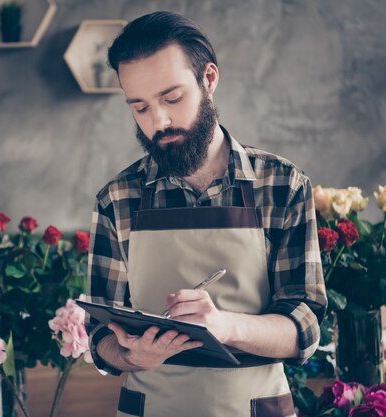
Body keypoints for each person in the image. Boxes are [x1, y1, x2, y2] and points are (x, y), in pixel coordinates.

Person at [86, 11, 327, 417]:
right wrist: (131, 357)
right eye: (140, 107)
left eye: (172, 98)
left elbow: (303, 330)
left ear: (209, 80)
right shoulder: (117, 199)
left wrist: (224, 326)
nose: (158, 121)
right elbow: (100, 337)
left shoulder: (282, 186)